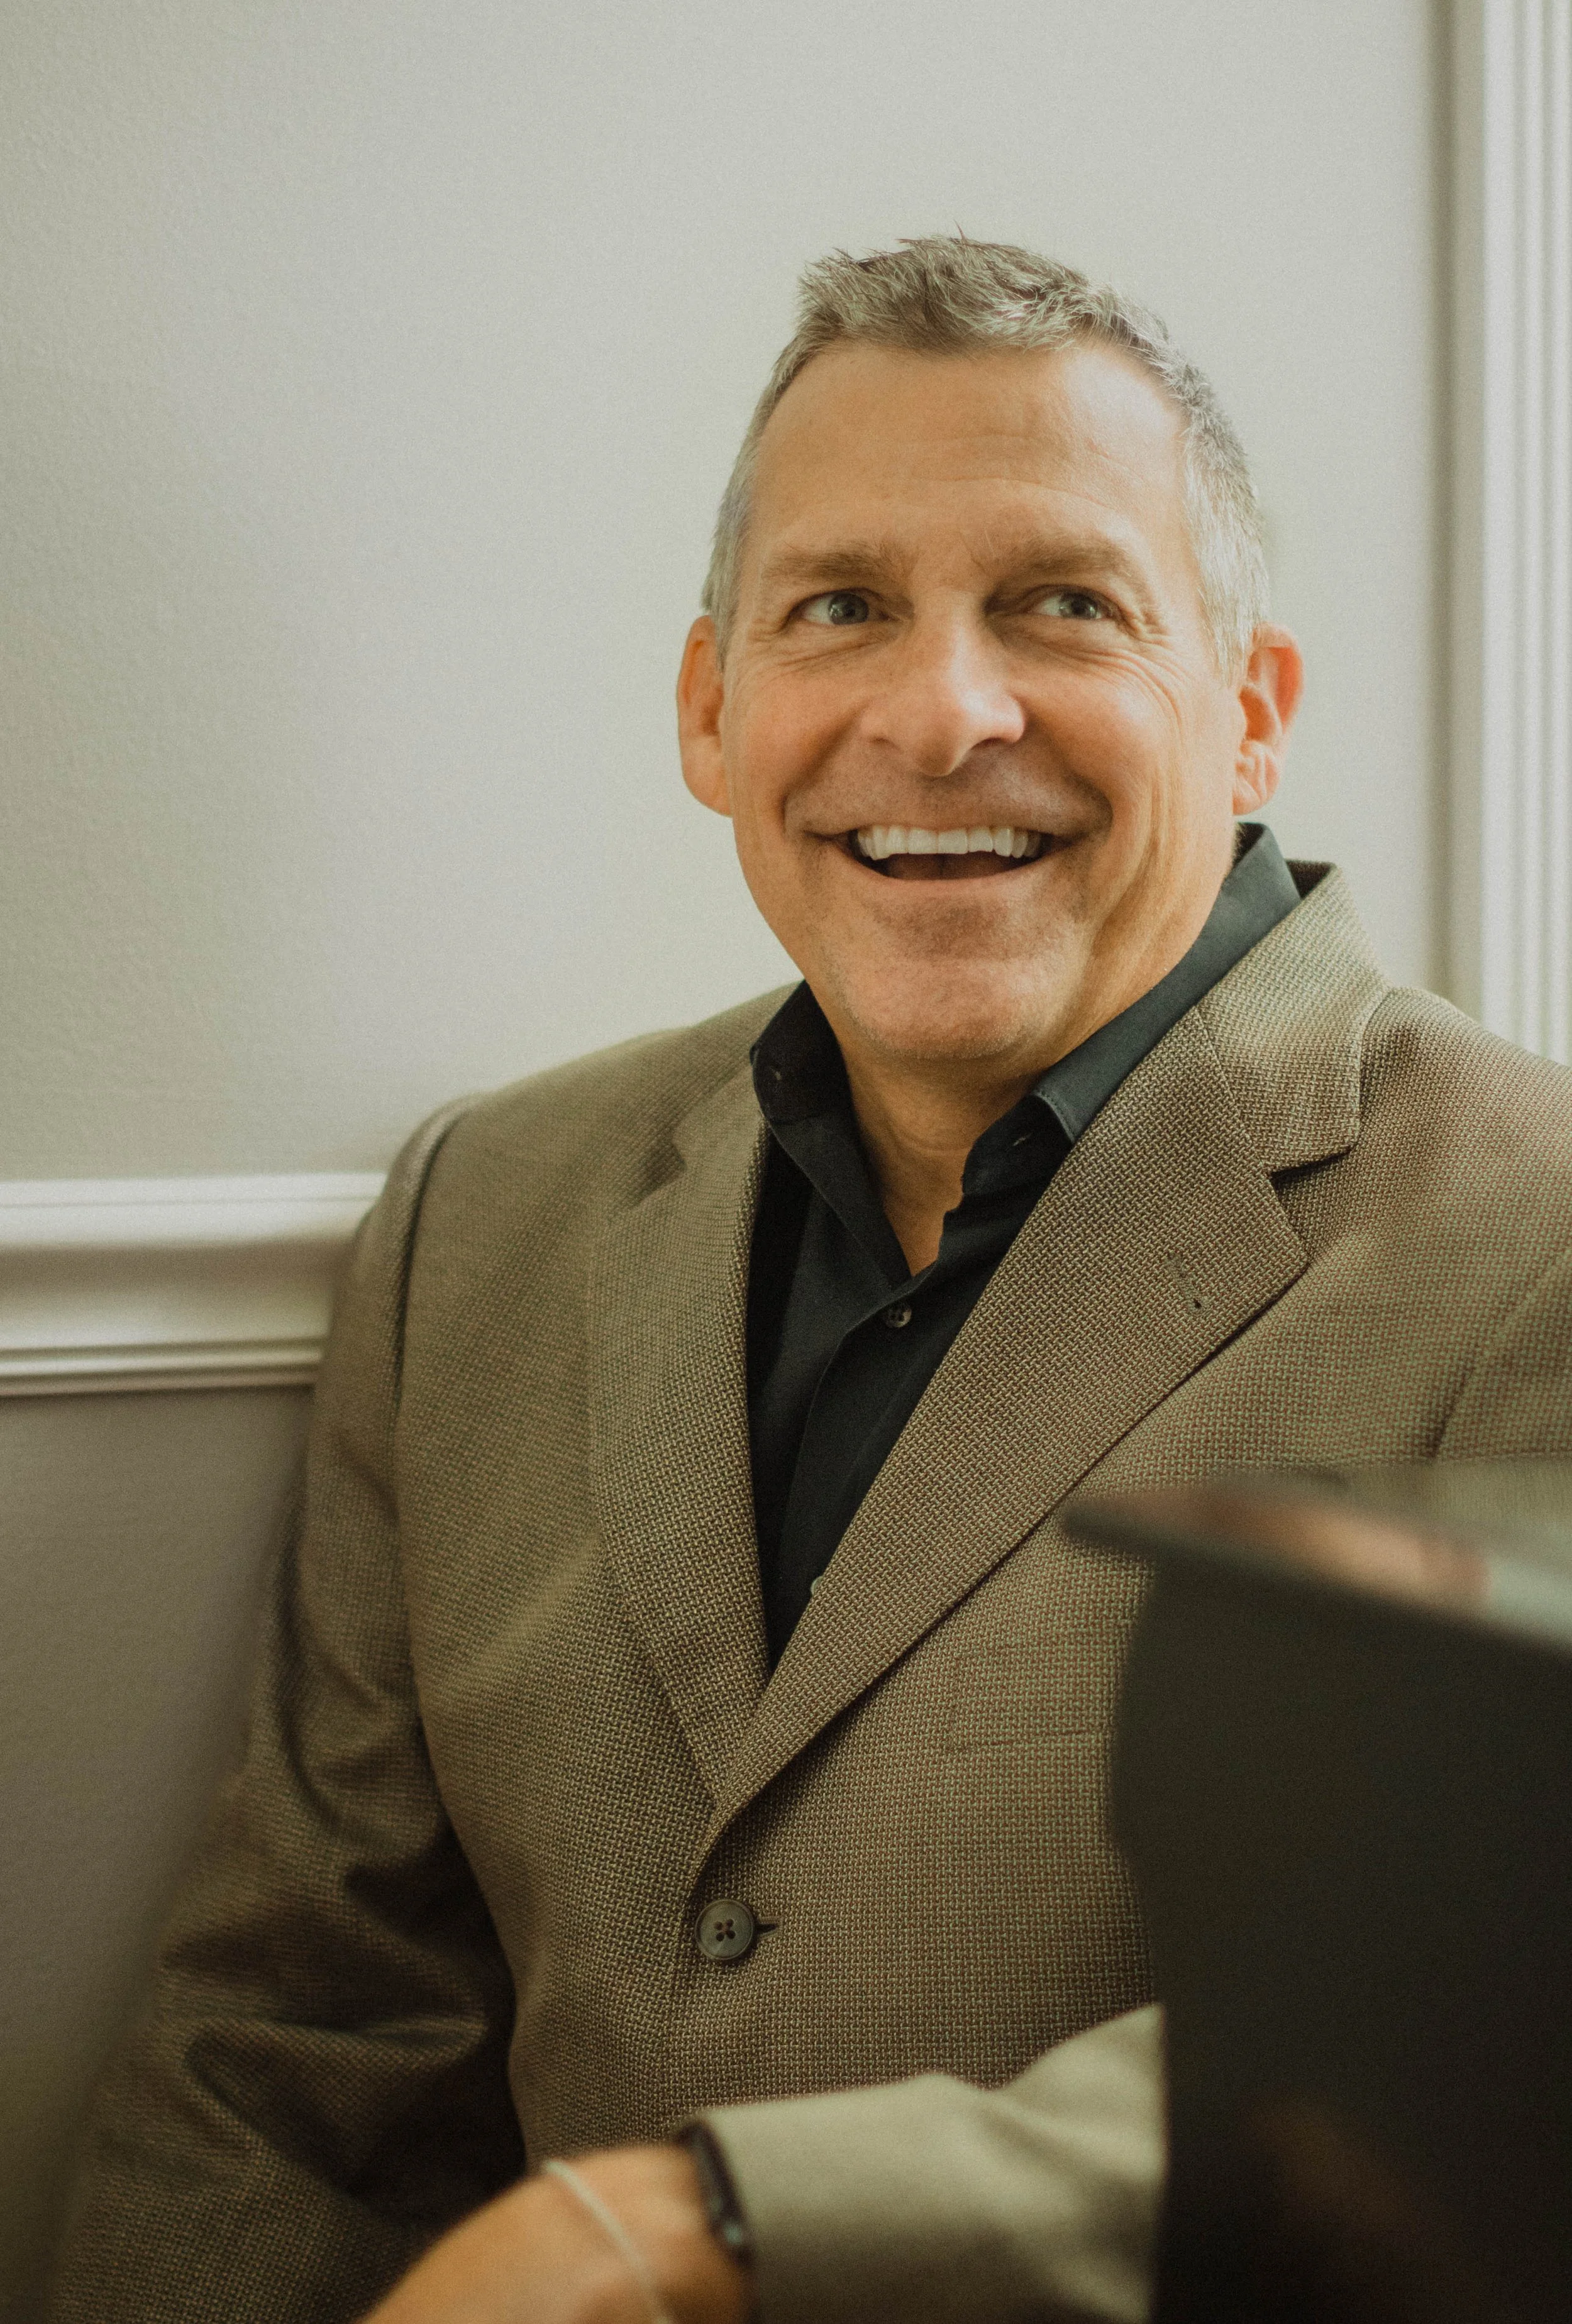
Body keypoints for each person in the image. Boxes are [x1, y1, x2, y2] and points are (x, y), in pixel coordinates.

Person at [47, 238, 1572, 2324]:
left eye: (1062, 603)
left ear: (1248, 716)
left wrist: (699, 2226)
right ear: (712, 708)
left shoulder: (1536, 1232)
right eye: (839, 607)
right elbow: (300, 2032)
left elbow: (1490, 2044)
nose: (939, 714)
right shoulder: (483, 1213)